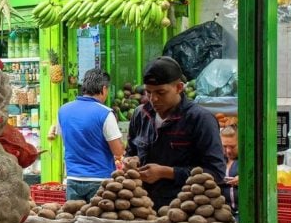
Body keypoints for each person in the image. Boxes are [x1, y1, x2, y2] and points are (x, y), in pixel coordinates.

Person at [126, 56, 226, 210]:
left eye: (161, 92)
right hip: (142, 208)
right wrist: (130, 161)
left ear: (179, 88)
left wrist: (167, 172)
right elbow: (131, 152)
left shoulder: (200, 119)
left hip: (184, 213)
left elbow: (216, 173)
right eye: (148, 92)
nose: (153, 99)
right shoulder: (141, 114)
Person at [58, 68, 125, 201]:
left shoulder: (63, 110)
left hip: (72, 178)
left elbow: (65, 139)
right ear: (104, 89)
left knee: (74, 220)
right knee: (97, 221)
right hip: (100, 180)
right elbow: (118, 151)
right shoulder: (105, 113)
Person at [220, 125, 239, 219]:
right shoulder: (218, 161)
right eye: (224, 146)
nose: (228, 151)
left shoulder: (248, 161)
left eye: (232, 146)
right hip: (223, 213)